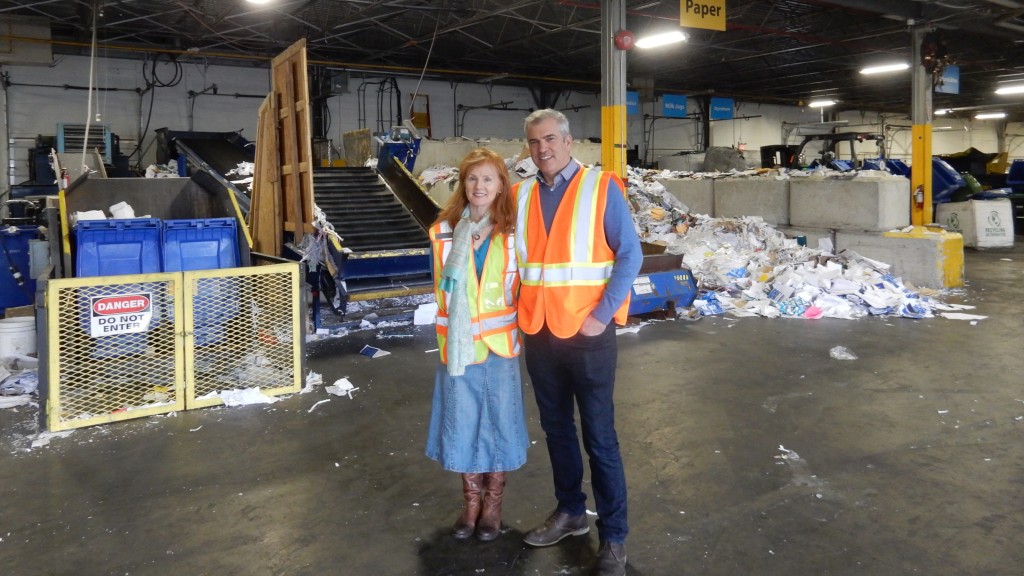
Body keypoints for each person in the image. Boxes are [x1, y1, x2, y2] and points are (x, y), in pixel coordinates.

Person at [513, 109, 642, 576]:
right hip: (540, 333)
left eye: (549, 139)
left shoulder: (600, 187)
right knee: (557, 432)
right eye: (533, 142)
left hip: (587, 336)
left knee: (600, 438)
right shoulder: (522, 194)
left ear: (568, 142)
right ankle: (570, 513)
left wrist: (601, 315)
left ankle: (614, 537)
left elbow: (630, 254)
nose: (541, 148)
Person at [424, 147, 528, 542]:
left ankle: (494, 504)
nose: (479, 186)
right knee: (463, 423)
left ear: (502, 184)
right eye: (472, 178)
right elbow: (440, 292)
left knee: (499, 423)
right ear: (462, 184)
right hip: (459, 347)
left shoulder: (514, 232)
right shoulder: (443, 232)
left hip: (499, 345)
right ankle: (470, 503)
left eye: (488, 178)